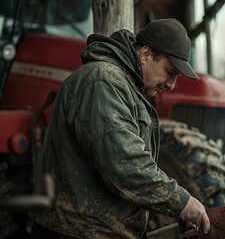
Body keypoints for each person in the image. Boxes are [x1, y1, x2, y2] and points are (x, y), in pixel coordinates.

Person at [31, 18, 210, 239]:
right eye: (169, 72)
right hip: (78, 232)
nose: (172, 84)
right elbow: (124, 164)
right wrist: (182, 202)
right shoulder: (103, 82)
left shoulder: (125, 86)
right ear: (145, 55)